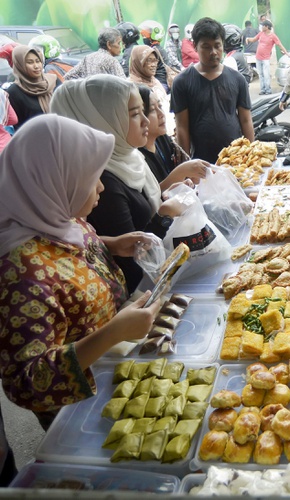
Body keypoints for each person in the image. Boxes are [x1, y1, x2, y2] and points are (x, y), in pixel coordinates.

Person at [0, 114, 160, 428]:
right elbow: (27, 384)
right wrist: (113, 333)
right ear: (54, 181)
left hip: (119, 374)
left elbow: (64, 251)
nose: (100, 186)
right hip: (83, 415)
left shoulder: (53, 215)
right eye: (91, 178)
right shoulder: (19, 276)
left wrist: (110, 244)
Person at [51, 75, 183, 294]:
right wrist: (162, 217)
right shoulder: (102, 181)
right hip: (138, 294)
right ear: (101, 120)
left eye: (143, 110)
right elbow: (133, 267)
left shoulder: (130, 157)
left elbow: (110, 243)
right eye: (133, 114)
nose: (145, 120)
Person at [170, 17, 254, 164]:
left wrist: (252, 156)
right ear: (195, 46)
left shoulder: (237, 79)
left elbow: (245, 120)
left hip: (235, 160)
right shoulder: (181, 82)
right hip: (200, 162)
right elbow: (182, 126)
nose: (213, 52)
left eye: (217, 45)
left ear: (223, 45)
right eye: (206, 47)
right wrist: (187, 163)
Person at [137, 84, 209, 190]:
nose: (161, 114)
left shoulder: (162, 139)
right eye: (152, 110)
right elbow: (151, 197)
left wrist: (188, 177)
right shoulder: (137, 157)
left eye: (160, 106)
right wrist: (182, 171)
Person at [5, 45, 59, 131]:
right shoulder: (14, 91)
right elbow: (18, 125)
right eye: (30, 62)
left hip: (62, 135)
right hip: (34, 140)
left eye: (38, 61)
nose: (36, 66)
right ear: (20, 65)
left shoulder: (54, 81)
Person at [128, 45, 175, 136]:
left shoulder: (155, 81)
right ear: (138, 62)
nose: (154, 65)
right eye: (149, 60)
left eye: (155, 60)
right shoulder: (132, 87)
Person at [246, 19, 290, 95]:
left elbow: (280, 45)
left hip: (265, 58)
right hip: (258, 57)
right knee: (261, 74)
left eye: (263, 26)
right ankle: (263, 89)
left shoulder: (273, 36)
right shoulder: (261, 34)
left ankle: (268, 90)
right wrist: (247, 39)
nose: (262, 27)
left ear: (267, 27)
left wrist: (287, 53)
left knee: (266, 74)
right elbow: (253, 39)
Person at [139, 20, 170, 93]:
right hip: (162, 83)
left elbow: (146, 71)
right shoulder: (159, 49)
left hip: (159, 85)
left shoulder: (153, 51)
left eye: (145, 35)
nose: (144, 38)